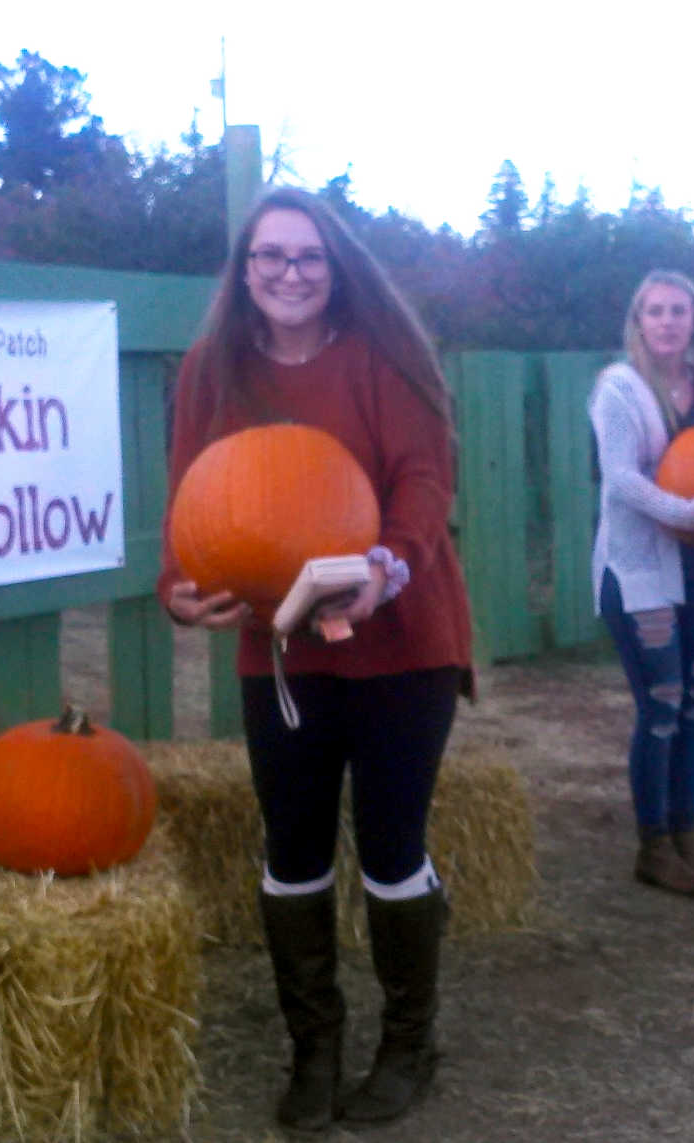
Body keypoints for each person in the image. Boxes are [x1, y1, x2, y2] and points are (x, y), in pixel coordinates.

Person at [157, 186, 474, 1131]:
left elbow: (423, 480)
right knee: (292, 848)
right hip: (283, 650)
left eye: (307, 258)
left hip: (402, 638)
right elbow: (192, 498)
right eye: (270, 258)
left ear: (335, 270)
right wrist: (178, 586)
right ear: (244, 272)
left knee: (388, 846)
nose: (288, 274)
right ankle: (315, 1046)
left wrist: (389, 564)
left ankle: (410, 1041)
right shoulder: (213, 370)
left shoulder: (385, 358)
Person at [589, 270, 694, 897]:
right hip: (641, 571)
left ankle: (685, 835)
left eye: (679, 311)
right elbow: (621, 478)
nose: (668, 322)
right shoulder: (619, 389)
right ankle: (652, 844)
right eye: (655, 311)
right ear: (639, 321)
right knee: (661, 705)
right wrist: (692, 514)